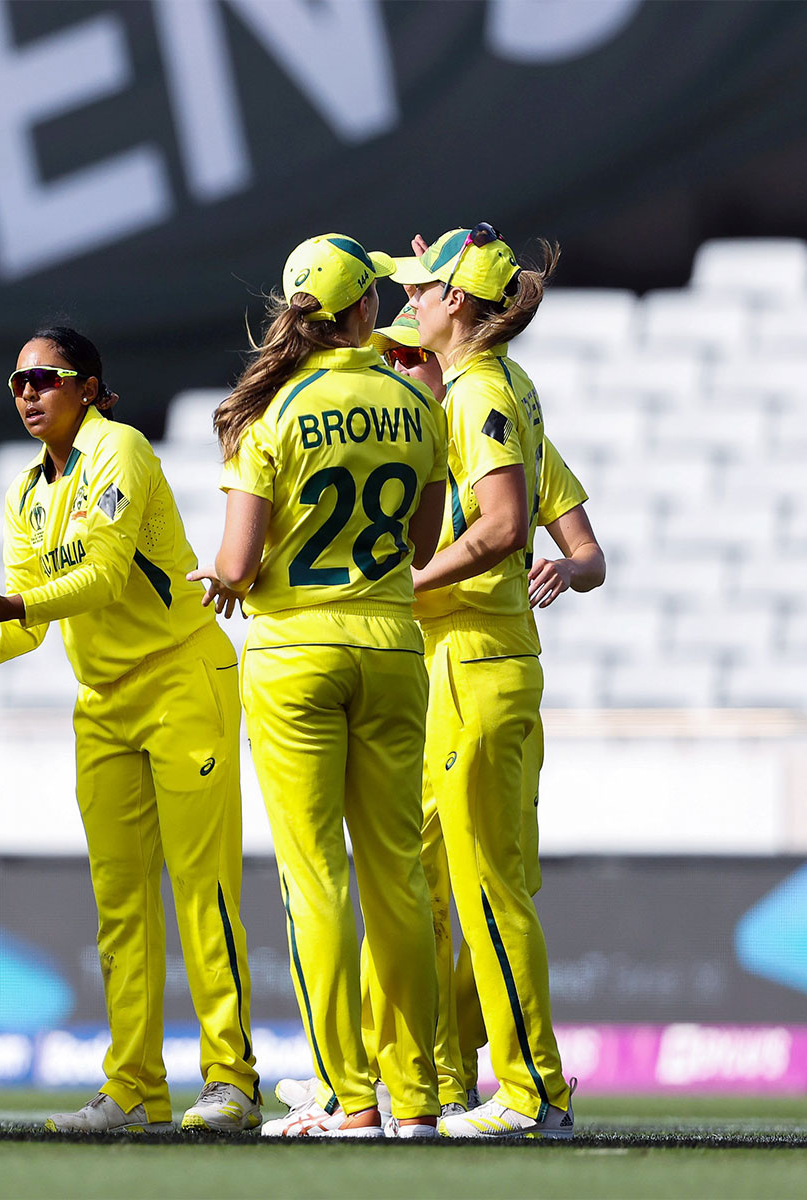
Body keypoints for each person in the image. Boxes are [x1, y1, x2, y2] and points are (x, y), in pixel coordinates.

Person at [0, 326, 261, 1134]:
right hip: (104, 701)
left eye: (46, 379)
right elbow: (24, 625)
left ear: (89, 387)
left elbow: (104, 575)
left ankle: (231, 1081)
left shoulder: (120, 449)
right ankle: (136, 1088)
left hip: (184, 675)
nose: (28, 393)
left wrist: (16, 605)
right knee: (119, 903)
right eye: (18, 382)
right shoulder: (23, 490)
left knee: (202, 887)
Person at [192, 235, 447, 1139]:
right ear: (364, 310)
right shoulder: (421, 406)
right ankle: (416, 1099)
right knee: (398, 882)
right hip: (390, 646)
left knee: (316, 884)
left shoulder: (272, 411)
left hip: (294, 653)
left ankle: (348, 1098)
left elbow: (235, 563)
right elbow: (420, 551)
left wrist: (234, 580)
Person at [366, 303, 605, 1111]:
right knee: (428, 888)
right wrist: (572, 570)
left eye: (405, 355)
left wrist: (400, 586)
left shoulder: (484, 403)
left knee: (487, 893)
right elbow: (585, 553)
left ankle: (532, 1086)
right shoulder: (481, 406)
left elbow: (574, 550)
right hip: (446, 669)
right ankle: (434, 1081)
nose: (397, 368)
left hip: (477, 663)